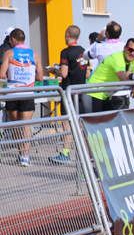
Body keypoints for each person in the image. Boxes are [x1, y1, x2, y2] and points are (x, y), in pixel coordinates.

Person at [0, 28, 44, 166]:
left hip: (13, 93)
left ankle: (21, 152)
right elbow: (40, 77)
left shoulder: (9, 53)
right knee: (25, 125)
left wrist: (12, 75)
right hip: (27, 93)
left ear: (13, 39)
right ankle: (25, 156)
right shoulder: (34, 54)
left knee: (15, 125)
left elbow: (1, 75)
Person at [50, 25, 90, 164]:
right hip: (81, 90)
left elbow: (64, 73)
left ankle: (66, 153)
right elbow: (88, 72)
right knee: (80, 122)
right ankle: (86, 155)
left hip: (68, 90)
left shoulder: (65, 52)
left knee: (67, 122)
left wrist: (55, 71)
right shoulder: (84, 51)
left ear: (67, 34)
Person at [85, 37, 134, 112]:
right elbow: (123, 77)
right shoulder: (117, 58)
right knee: (96, 122)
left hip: (106, 95)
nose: (132, 53)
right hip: (94, 94)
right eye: (130, 49)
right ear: (125, 48)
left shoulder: (133, 60)